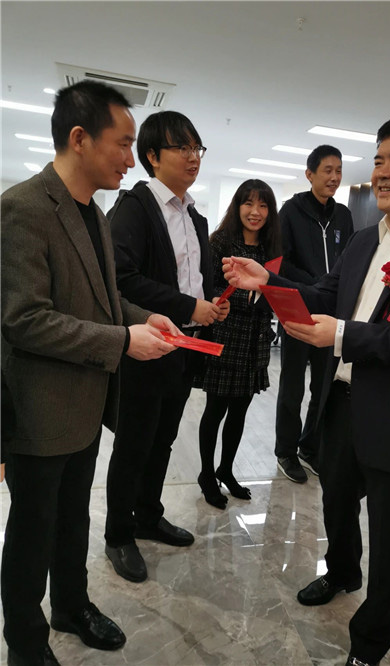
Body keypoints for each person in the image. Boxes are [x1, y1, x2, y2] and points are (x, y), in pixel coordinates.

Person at [222, 112, 390, 666]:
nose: (381, 173)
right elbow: (326, 293)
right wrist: (268, 280)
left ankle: (368, 648)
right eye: (377, 160)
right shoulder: (366, 239)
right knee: (337, 505)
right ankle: (342, 573)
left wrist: (344, 335)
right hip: (341, 406)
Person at [1, 81, 178, 666]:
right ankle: (26, 644)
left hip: (84, 403)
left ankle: (71, 607)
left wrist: (143, 318)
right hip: (39, 412)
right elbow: (25, 320)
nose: (131, 158)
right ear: (80, 139)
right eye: (123, 143)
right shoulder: (23, 208)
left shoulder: (95, 214)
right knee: (32, 533)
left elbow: (102, 301)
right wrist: (123, 340)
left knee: (74, 518)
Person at [104, 111, 229, 583]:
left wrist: (211, 302)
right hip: (146, 344)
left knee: (163, 438)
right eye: (182, 148)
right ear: (153, 156)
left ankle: (148, 516)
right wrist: (187, 305)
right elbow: (122, 279)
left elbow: (194, 278)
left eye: (197, 148)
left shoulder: (195, 215)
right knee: (134, 443)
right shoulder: (135, 208)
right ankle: (118, 534)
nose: (193, 157)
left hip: (184, 347)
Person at [194, 179, 281, 509]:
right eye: (249, 203)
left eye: (263, 205)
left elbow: (275, 290)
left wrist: (265, 299)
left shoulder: (270, 249)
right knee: (215, 409)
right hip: (225, 336)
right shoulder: (220, 242)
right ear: (238, 206)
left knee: (240, 411)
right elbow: (206, 286)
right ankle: (206, 474)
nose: (255, 212)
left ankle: (226, 469)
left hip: (255, 341)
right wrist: (245, 298)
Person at [275, 145, 353, 483]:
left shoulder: (343, 216)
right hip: (297, 311)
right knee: (292, 387)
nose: (334, 177)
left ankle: (310, 447)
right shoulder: (291, 212)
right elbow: (281, 261)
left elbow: (349, 260)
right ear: (310, 174)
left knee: (323, 388)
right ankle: (286, 451)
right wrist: (317, 283)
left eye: (339, 171)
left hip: (331, 317)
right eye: (327, 170)